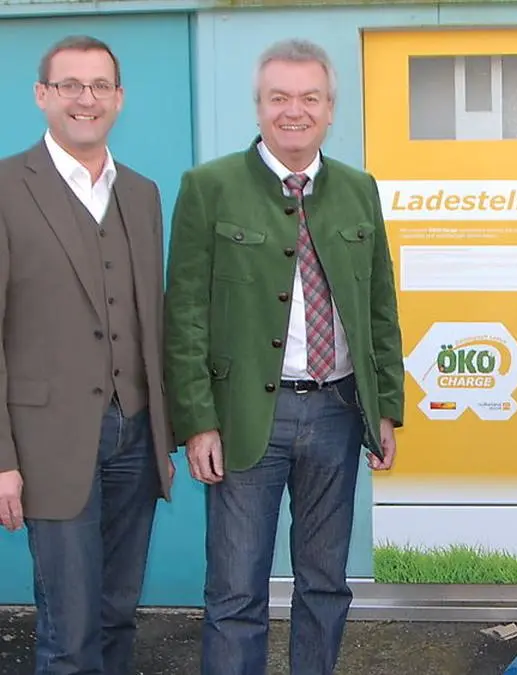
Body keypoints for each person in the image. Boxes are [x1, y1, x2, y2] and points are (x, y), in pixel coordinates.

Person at [162, 38, 405, 674]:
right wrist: (197, 421)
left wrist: (385, 409)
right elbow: (183, 314)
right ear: (259, 106)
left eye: (309, 98)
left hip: (337, 413)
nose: (293, 111)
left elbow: (380, 307)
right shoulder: (207, 186)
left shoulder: (359, 189)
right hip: (245, 421)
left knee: (326, 584)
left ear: (331, 110)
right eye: (279, 98)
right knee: (236, 591)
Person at [0, 35, 176, 674]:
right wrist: (2, 461)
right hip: (48, 443)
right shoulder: (6, 187)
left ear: (119, 98)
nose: (86, 98)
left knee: (117, 616)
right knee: (69, 632)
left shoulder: (143, 194)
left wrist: (166, 434)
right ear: (43, 96)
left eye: (100, 85)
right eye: (70, 85)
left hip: (134, 438)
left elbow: (151, 318)